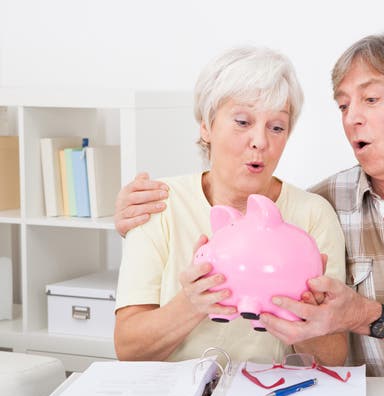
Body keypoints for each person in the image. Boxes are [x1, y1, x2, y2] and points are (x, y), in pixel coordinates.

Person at [115, 32, 384, 379]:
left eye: (370, 99)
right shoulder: (325, 204)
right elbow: (128, 346)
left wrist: (364, 316)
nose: (351, 117)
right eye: (343, 105)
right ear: (206, 124)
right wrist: (124, 223)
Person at [114, 46, 347, 366]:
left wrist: (310, 319)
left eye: (276, 127)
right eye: (242, 121)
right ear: (206, 126)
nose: (261, 142)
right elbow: (128, 349)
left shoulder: (311, 215)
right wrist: (191, 304)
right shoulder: (158, 204)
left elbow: (334, 358)